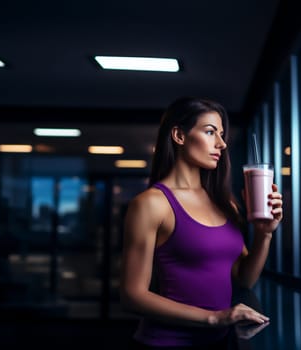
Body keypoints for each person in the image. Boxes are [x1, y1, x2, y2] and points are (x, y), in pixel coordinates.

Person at [120, 97, 283, 349]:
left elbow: (243, 280)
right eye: (210, 132)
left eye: (221, 134)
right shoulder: (151, 204)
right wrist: (215, 317)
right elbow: (132, 296)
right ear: (179, 135)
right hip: (166, 343)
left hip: (219, 342)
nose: (222, 143)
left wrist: (264, 234)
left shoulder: (224, 203)